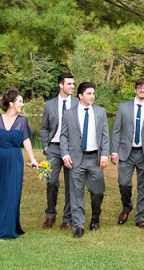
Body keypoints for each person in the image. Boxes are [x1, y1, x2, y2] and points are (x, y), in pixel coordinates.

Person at [0, 87, 39, 240]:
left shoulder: (22, 121)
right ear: (11, 103)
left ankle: (7, 230)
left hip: (15, 160)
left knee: (12, 193)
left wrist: (33, 159)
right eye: (20, 101)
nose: (22, 104)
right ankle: (3, 226)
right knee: (0, 193)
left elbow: (26, 141)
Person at [60, 81, 110, 238]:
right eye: (89, 93)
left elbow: (105, 136)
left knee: (98, 192)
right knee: (76, 193)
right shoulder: (69, 114)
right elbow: (63, 136)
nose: (92, 96)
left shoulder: (101, 112)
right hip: (76, 159)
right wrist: (65, 154)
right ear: (80, 96)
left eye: (93, 93)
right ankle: (78, 225)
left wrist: (104, 155)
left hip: (95, 158)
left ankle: (95, 217)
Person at [111, 77, 144, 228]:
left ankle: (141, 217)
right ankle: (127, 207)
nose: (142, 90)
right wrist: (114, 151)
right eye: (139, 87)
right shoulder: (123, 107)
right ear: (135, 90)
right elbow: (116, 130)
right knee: (124, 183)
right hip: (126, 152)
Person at [40, 71, 77, 230]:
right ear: (61, 85)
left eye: (73, 84)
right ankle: (50, 214)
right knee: (51, 181)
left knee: (71, 184)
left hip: (72, 149)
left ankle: (67, 218)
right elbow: (44, 128)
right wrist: (46, 147)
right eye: (69, 84)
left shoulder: (78, 103)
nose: (72, 86)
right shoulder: (49, 104)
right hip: (53, 148)